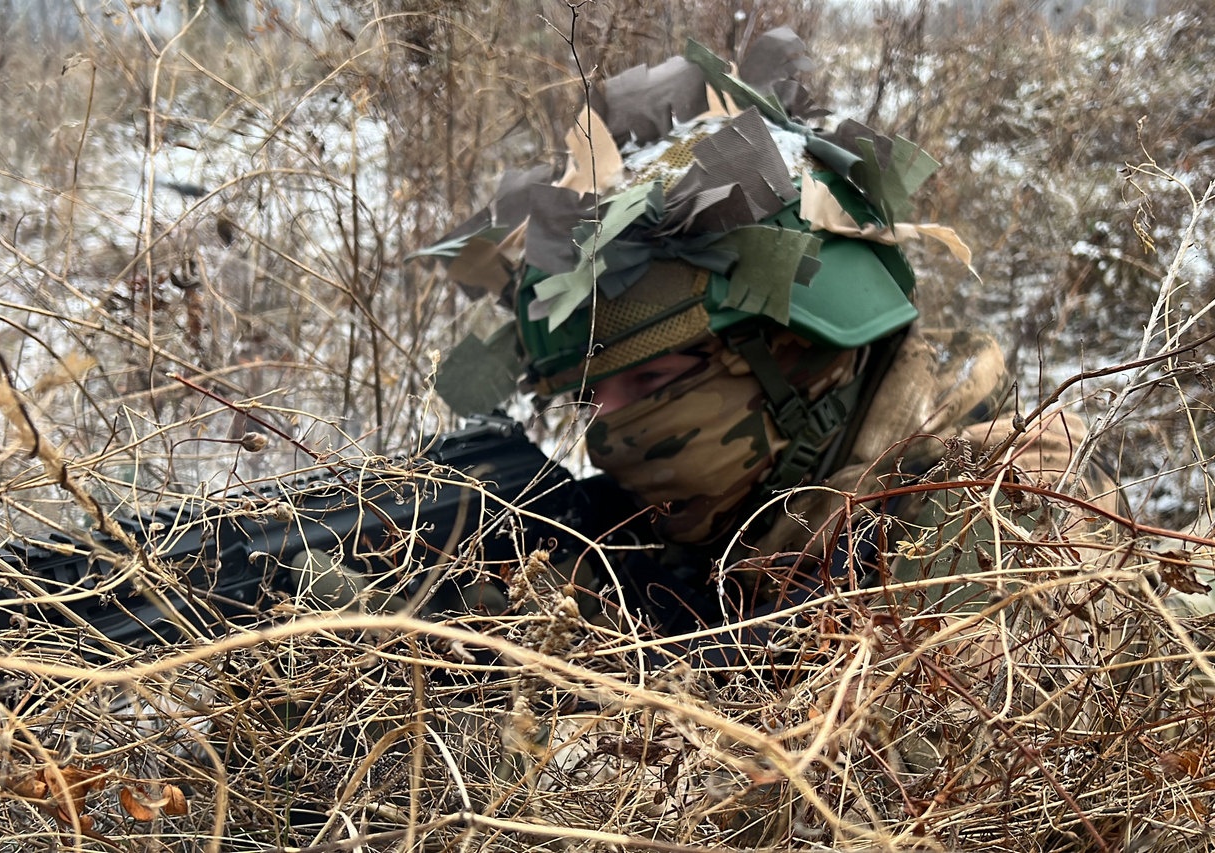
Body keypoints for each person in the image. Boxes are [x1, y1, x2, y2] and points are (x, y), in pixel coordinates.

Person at [417, 27, 1125, 642]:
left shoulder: (1011, 519)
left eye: (651, 380)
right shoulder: (735, 505)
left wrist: (611, 676)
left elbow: (869, 743)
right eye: (590, 396)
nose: (607, 435)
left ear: (803, 353)